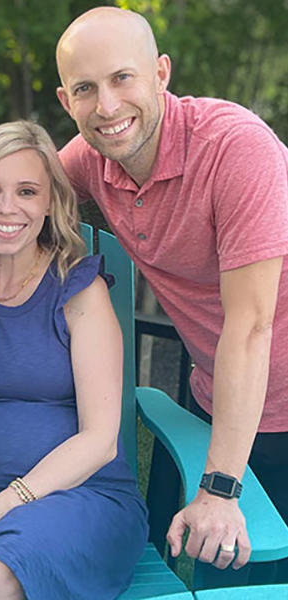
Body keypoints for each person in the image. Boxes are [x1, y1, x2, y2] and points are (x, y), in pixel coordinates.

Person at [56, 6, 288, 574]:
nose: (107, 106)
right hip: (218, 395)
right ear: (67, 102)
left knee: (254, 576)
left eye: (122, 78)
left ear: (161, 73)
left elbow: (252, 324)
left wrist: (219, 487)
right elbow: (9, 202)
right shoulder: (92, 160)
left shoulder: (236, 149)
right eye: (86, 88)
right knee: (164, 557)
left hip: (272, 395)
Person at [0, 120, 148, 599]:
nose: (7, 207)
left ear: (50, 202)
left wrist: (5, 505)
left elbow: (99, 441)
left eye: (27, 191)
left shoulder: (77, 290)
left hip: (83, 499)